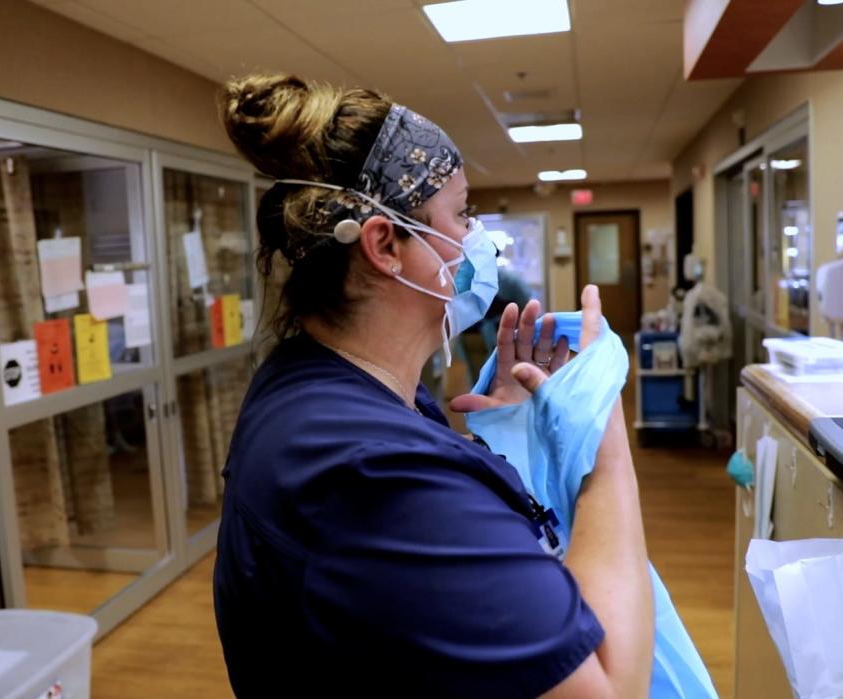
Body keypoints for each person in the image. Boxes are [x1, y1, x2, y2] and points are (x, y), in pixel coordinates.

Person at [213, 73, 653, 698]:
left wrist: (509, 446)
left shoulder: (316, 384)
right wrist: (601, 441)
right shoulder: (371, 476)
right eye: (463, 212)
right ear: (385, 244)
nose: (479, 239)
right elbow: (608, 689)